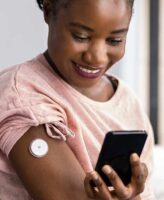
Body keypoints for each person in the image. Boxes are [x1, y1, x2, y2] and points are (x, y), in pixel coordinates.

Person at [0, 0, 156, 199]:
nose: (97, 57)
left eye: (114, 40)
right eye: (81, 36)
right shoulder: (21, 96)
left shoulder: (127, 101)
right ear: (48, 11)